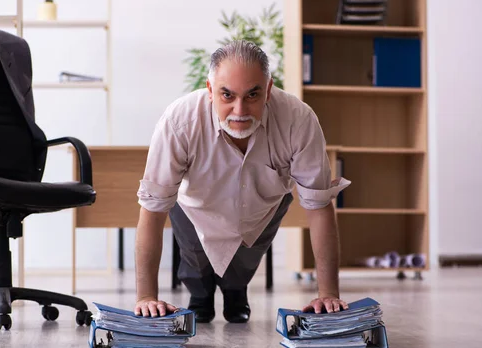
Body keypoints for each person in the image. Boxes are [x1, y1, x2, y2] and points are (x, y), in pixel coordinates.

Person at [133, 39, 350, 323]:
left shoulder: (299, 120)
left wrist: (328, 292)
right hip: (196, 206)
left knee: (243, 266)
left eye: (252, 95)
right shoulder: (179, 121)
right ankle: (200, 295)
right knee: (196, 264)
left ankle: (236, 292)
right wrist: (146, 297)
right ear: (210, 90)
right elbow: (153, 207)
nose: (239, 110)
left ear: (268, 90)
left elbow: (319, 205)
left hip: (262, 205)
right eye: (227, 95)